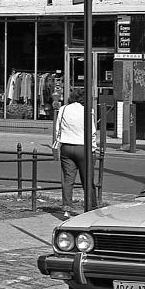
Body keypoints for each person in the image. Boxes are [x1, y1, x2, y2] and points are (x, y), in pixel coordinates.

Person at [53, 88, 98, 219]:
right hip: (83, 147)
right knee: (87, 180)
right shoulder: (88, 110)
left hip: (66, 147)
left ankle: (67, 209)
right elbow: (92, 131)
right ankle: (90, 208)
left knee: (68, 179)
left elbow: (58, 129)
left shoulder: (63, 109)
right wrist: (93, 147)